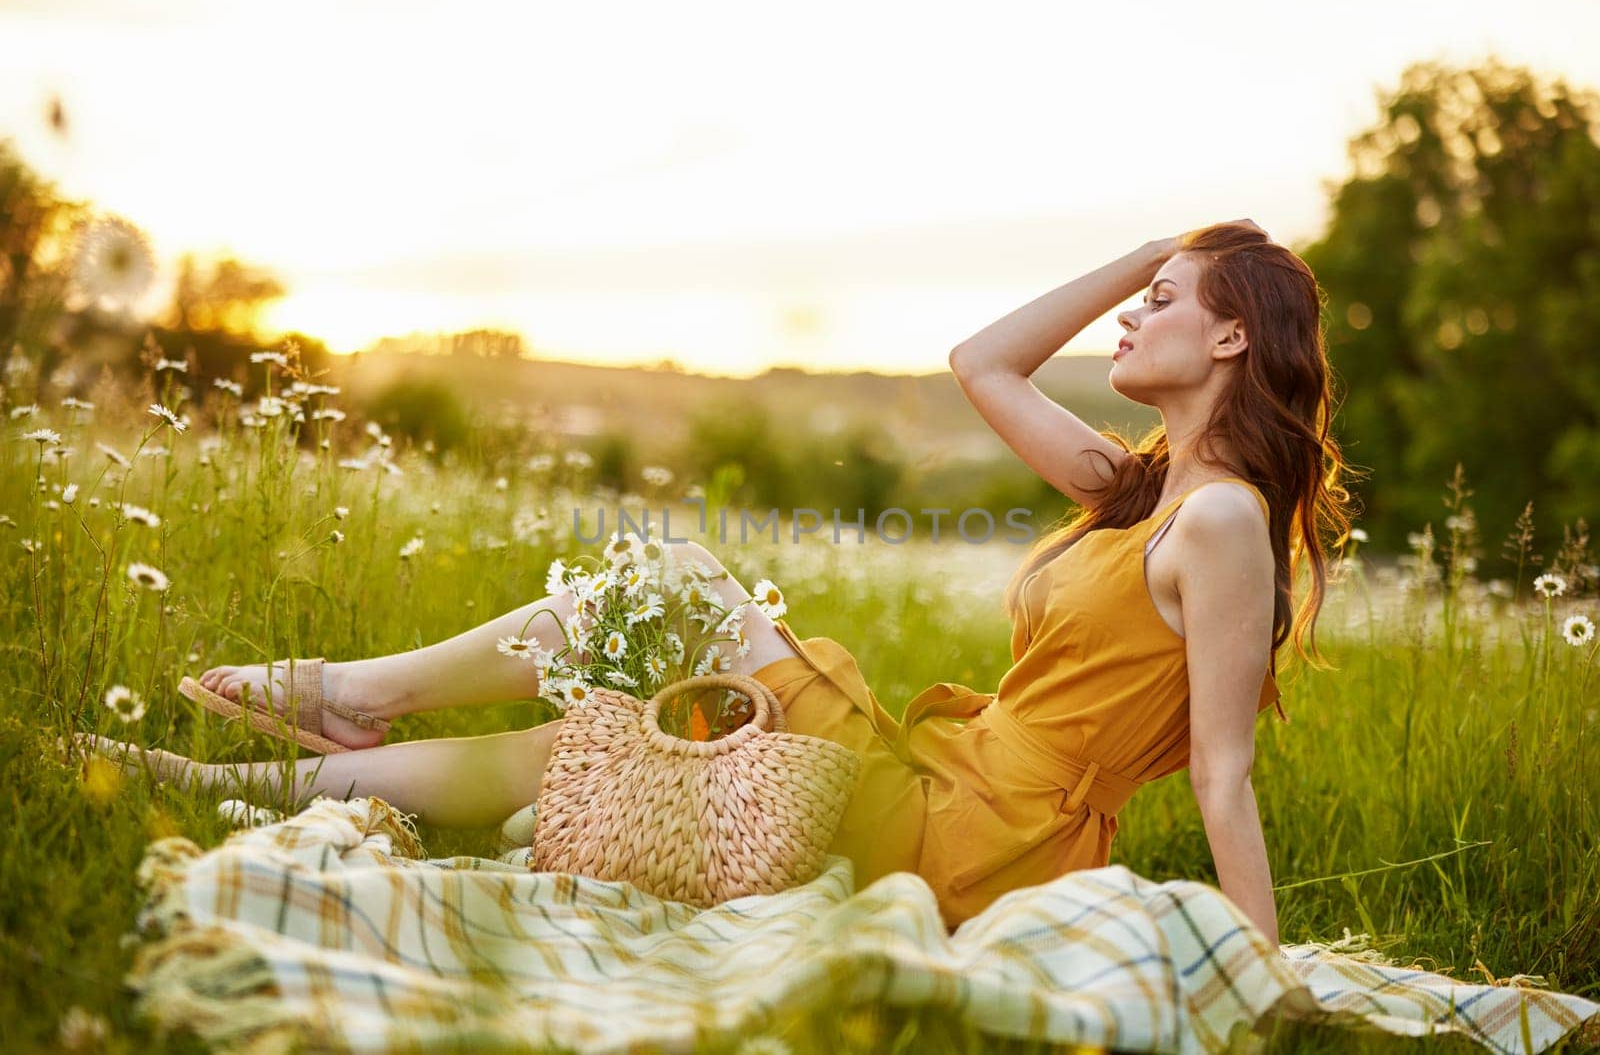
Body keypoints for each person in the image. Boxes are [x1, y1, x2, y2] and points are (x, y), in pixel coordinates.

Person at [84, 220, 1356, 939]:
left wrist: (1262, 964)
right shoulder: (1133, 489)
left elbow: (1221, 771)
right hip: (946, 787)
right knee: (606, 743)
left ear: (1231, 336)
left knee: (681, 578)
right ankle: (240, 777)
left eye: (1160, 302)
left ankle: (347, 694)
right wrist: (1141, 254)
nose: (1127, 321)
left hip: (991, 842)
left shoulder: (1223, 521)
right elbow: (981, 360)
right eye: (1134, 301)